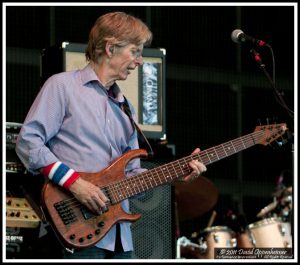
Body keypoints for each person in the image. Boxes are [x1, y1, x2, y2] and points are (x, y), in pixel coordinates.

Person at [15, 11, 207, 259]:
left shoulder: (126, 108)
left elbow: (132, 176)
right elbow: (28, 142)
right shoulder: (62, 86)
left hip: (119, 237)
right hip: (75, 230)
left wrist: (174, 176)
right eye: (135, 51)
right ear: (110, 48)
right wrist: (75, 183)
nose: (139, 61)